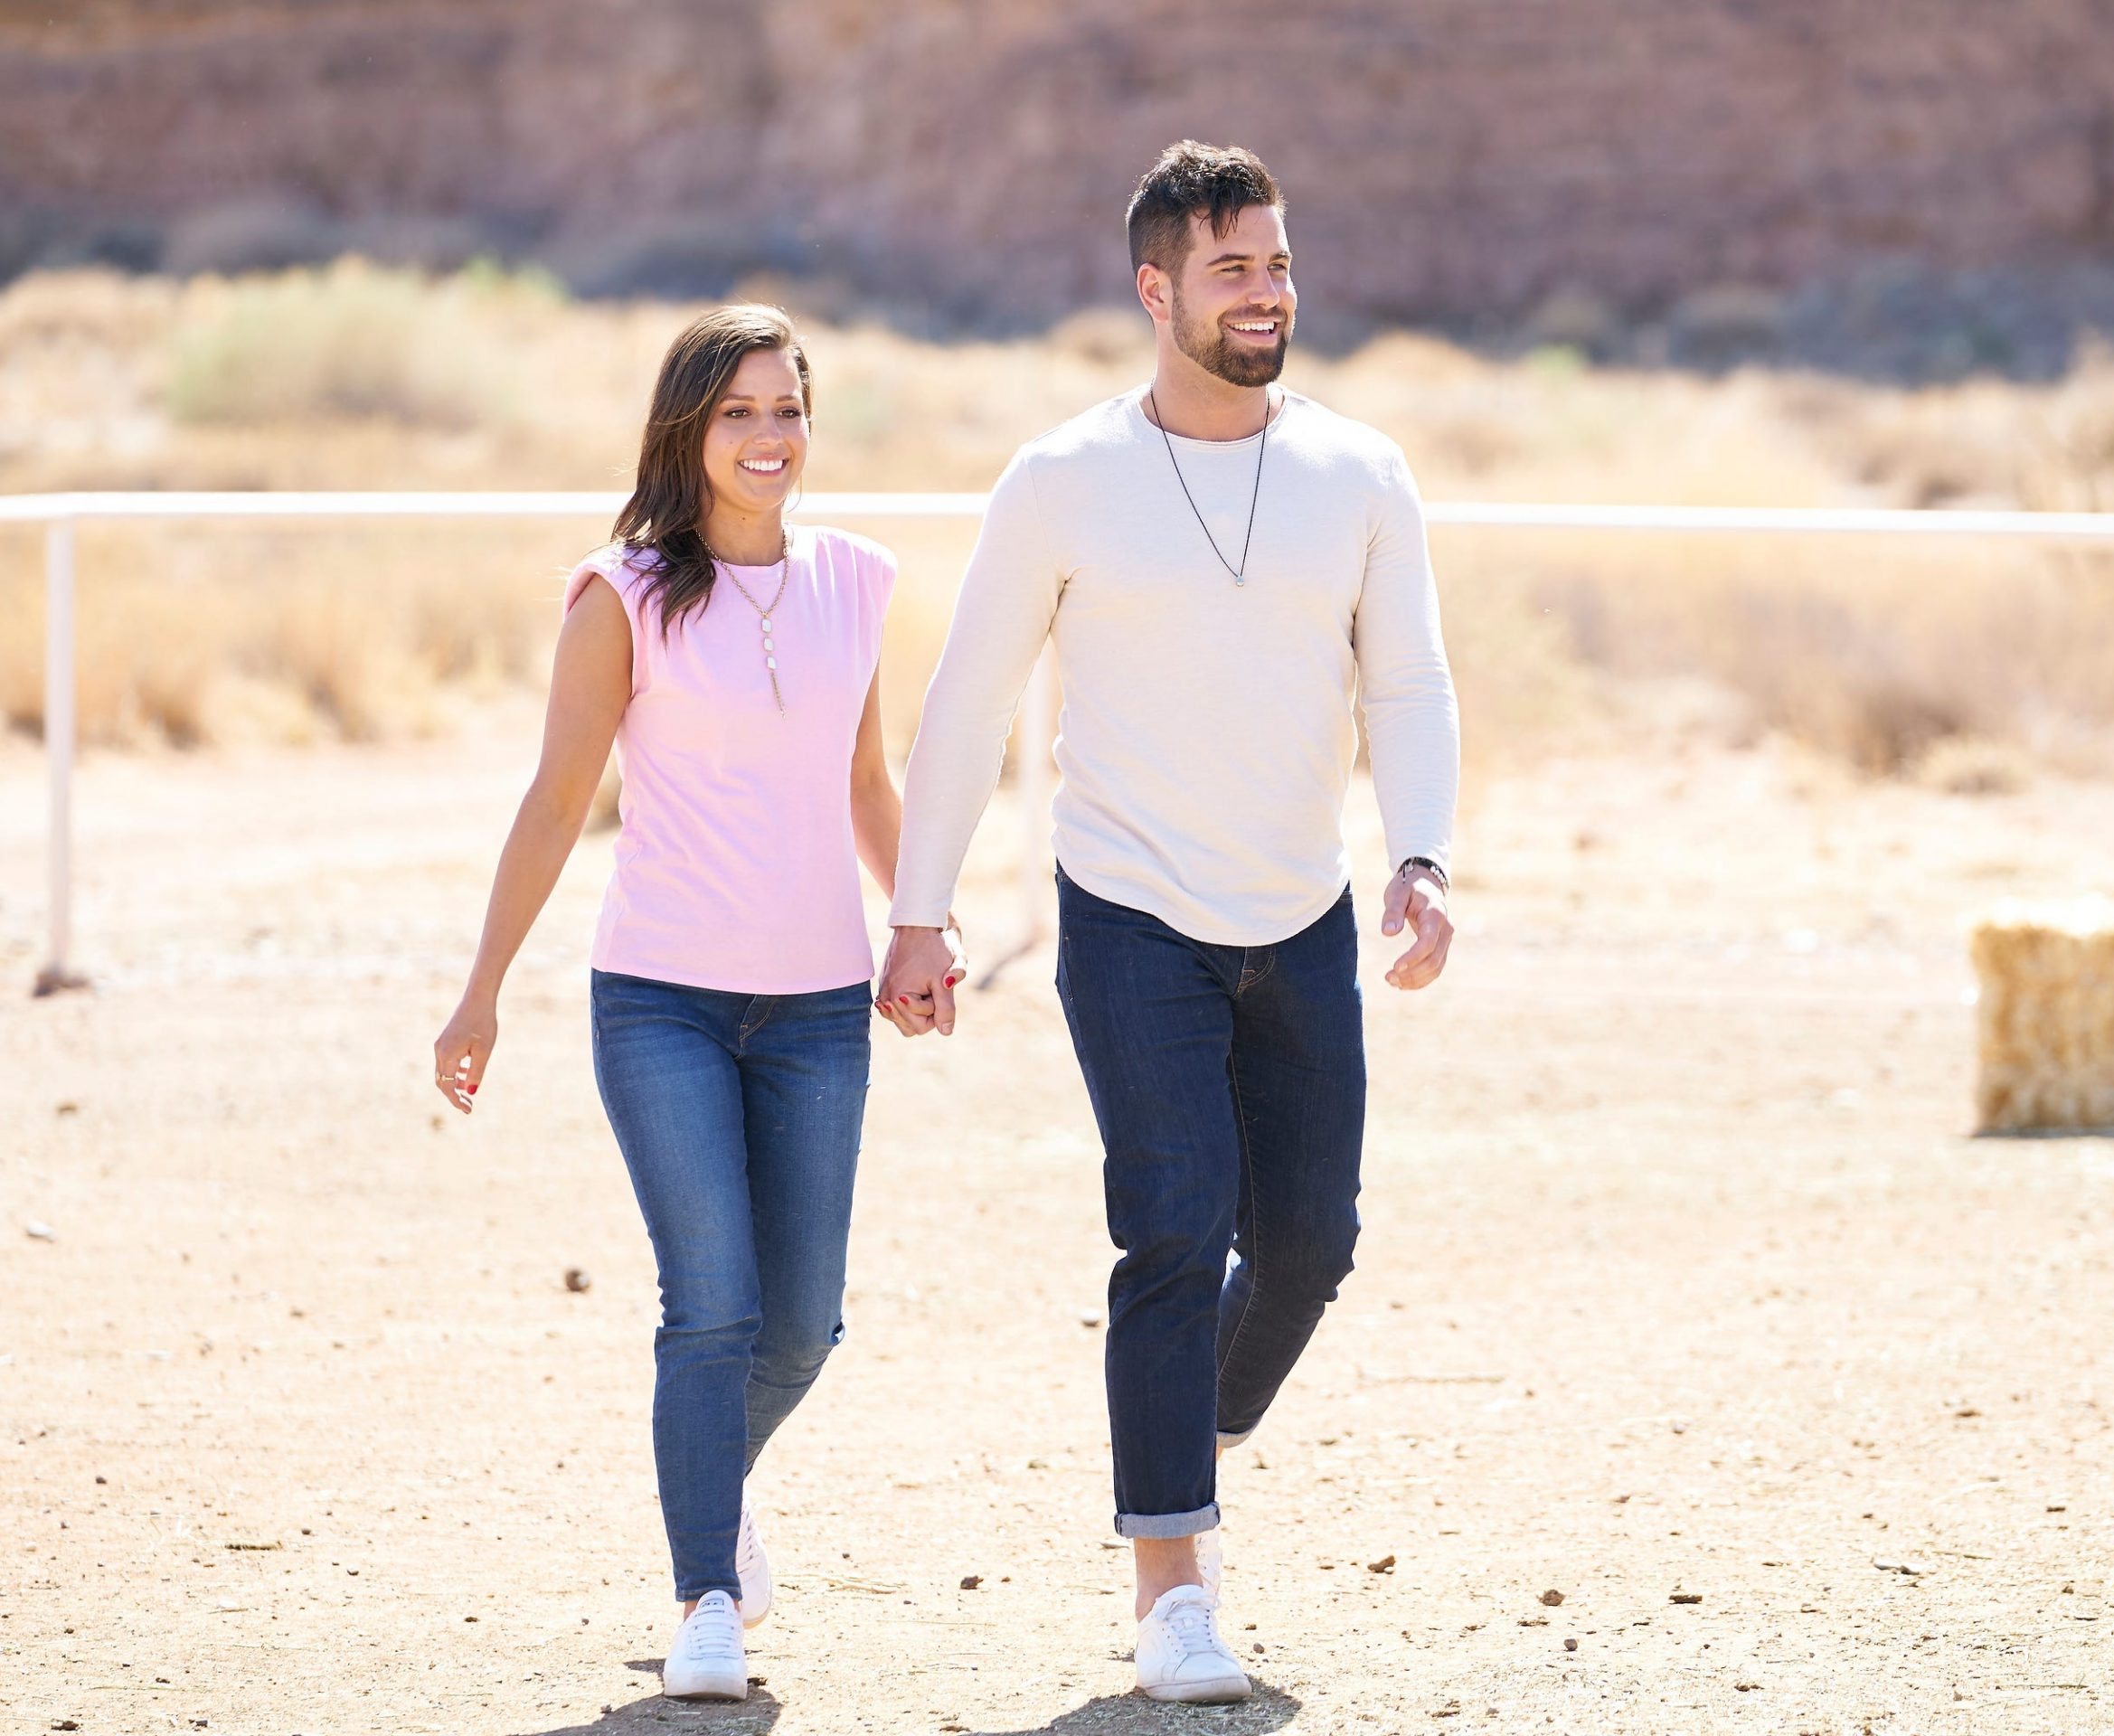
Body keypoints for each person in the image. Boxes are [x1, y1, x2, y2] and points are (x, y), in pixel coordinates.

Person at [877, 141, 1459, 1703]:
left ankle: (1175, 1432)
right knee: (1173, 1219)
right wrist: (918, 915)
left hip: (1306, 911)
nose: (1265, 292)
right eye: (1231, 269)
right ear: (1155, 291)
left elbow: (1405, 682)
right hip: (1128, 912)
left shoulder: (1362, 472)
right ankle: (1172, 1590)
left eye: (1275, 263)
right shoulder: (1064, 479)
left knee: (1310, 1241)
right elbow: (969, 702)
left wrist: (1425, 855)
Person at [430, 303, 962, 1703]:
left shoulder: (855, 580)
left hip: (818, 1009)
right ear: (688, 430)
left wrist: (923, 928)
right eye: (739, 412)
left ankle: (705, 1484)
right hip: (660, 999)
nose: (769, 437)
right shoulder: (625, 594)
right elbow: (556, 802)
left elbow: (865, 784)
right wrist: (481, 990)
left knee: (802, 1326)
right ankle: (706, 1596)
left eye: (789, 409)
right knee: (711, 1308)